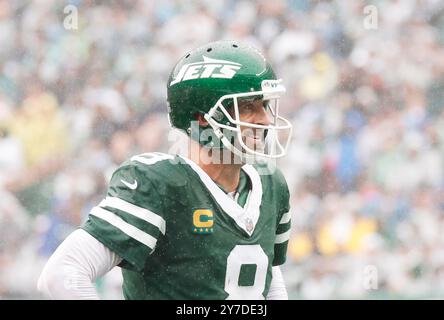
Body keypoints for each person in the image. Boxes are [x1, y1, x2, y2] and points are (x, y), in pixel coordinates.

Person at [37, 40, 293, 300]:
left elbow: (267, 278)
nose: (265, 119)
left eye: (264, 105)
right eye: (248, 106)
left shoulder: (271, 184)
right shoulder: (160, 184)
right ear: (203, 117)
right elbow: (62, 273)